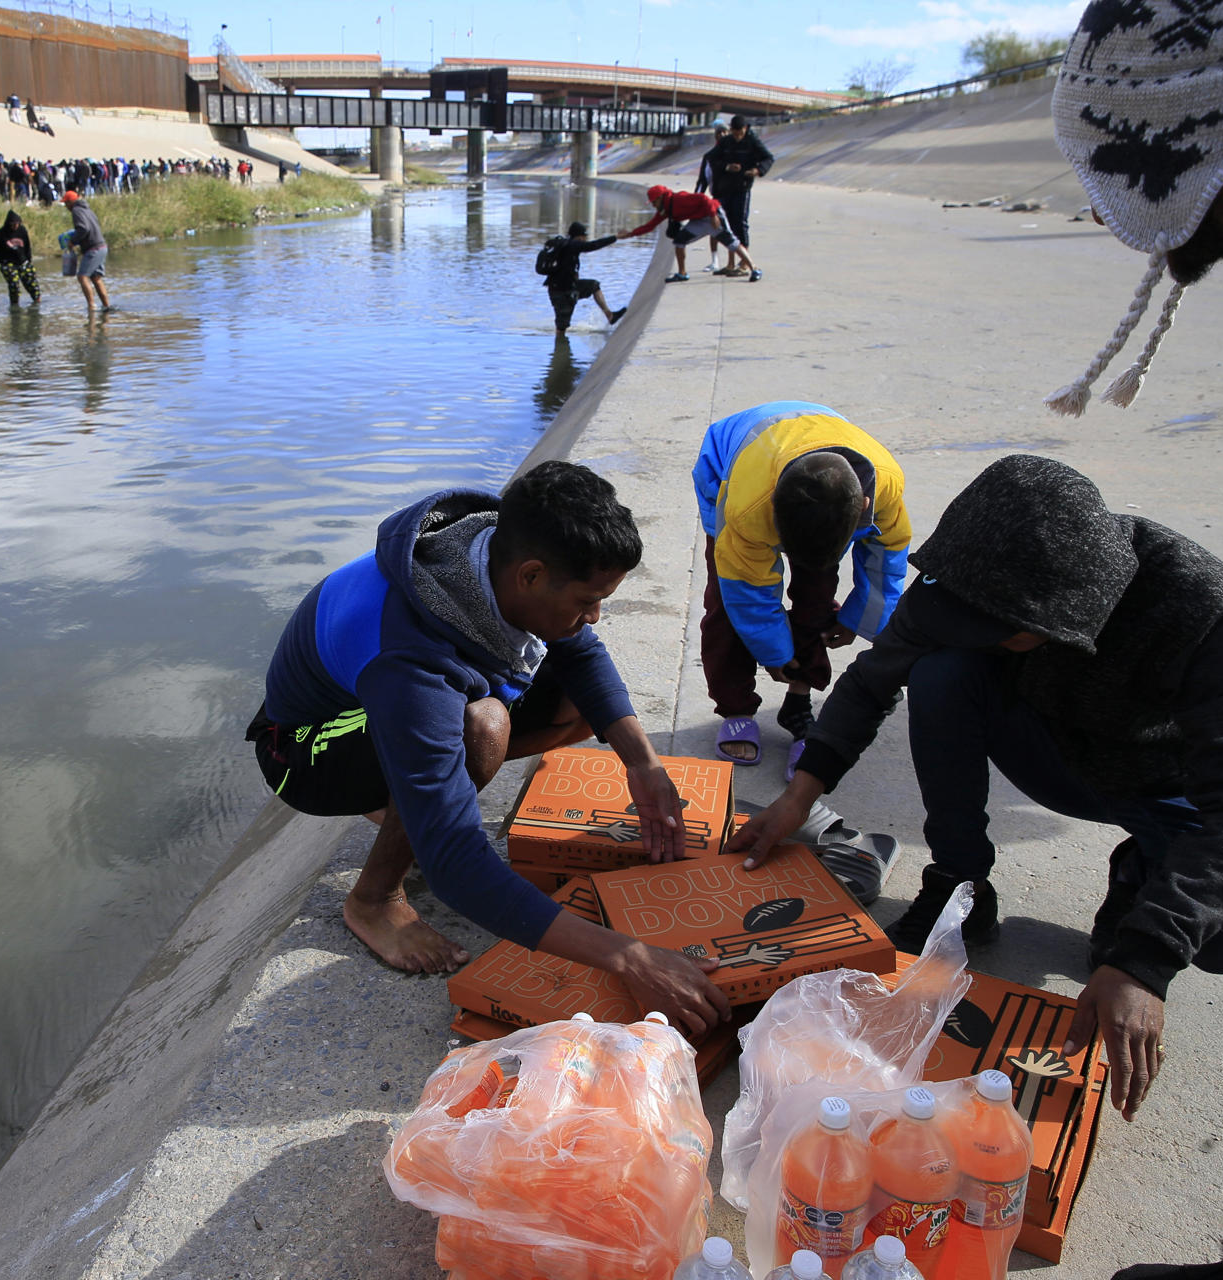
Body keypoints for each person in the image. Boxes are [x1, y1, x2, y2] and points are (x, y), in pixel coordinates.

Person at [730, 455, 1223, 1129]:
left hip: (1170, 787)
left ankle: (1142, 872)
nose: (976, 634)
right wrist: (799, 797)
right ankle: (961, 883)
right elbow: (871, 682)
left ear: (1060, 616)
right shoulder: (964, 582)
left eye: (997, 631)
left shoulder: (1207, 614)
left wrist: (1145, 961)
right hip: (1053, 756)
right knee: (940, 673)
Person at [1042, 8, 1223, 1275]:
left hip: (1190, 783)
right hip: (1135, 773)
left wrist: (1145, 956)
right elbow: (892, 665)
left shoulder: (1207, 619)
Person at [247, 462, 731, 1034]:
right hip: (302, 751)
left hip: (379, 709)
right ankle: (373, 901)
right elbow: (455, 867)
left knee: (582, 708)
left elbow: (580, 650)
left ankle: (409, 800)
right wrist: (631, 958)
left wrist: (643, 764)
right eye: (587, 599)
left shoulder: (492, 548)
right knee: (482, 727)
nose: (594, 615)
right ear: (531, 576)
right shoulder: (409, 662)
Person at [692, 402, 909, 777]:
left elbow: (886, 563)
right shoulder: (748, 506)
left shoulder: (886, 486)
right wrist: (773, 651)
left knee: (817, 595)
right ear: (773, 510)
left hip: (812, 441)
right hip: (730, 462)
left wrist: (858, 618)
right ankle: (736, 708)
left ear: (864, 507)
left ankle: (799, 701)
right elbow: (747, 592)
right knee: (726, 604)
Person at [619, 185, 760, 283]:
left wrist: (713, 216)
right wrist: (630, 234)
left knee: (732, 243)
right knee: (679, 241)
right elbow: (650, 226)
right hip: (698, 222)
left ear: (661, 197)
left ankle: (754, 269)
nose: (653, 205)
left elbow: (704, 199)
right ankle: (682, 274)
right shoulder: (665, 209)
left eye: (654, 201)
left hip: (713, 215)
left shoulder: (679, 198)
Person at [705, 115, 774, 273]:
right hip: (725, 188)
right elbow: (711, 158)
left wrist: (757, 170)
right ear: (731, 130)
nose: (737, 137)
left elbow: (768, 158)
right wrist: (726, 167)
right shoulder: (726, 142)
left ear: (745, 129)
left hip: (742, 187)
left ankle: (743, 263)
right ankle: (730, 264)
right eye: (735, 134)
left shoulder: (752, 141)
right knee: (726, 224)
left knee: (740, 224)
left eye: (740, 134)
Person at [539, 220, 627, 333]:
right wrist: (615, 237)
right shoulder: (573, 245)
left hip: (564, 287)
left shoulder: (564, 245)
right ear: (579, 236)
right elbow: (593, 245)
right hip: (562, 292)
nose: (585, 239)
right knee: (561, 328)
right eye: (584, 236)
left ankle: (610, 316)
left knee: (594, 286)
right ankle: (559, 343)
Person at [61, 189, 112, 312]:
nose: (66, 207)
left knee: (82, 277)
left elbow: (83, 228)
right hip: (102, 246)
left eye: (66, 204)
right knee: (96, 278)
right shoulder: (88, 209)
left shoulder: (76, 211)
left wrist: (72, 241)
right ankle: (106, 307)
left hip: (93, 248)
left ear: (70, 202)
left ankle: (91, 307)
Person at [692, 125, 728, 272]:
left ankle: (736, 262)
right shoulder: (709, 156)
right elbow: (703, 180)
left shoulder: (734, 153)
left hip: (734, 195)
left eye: (725, 132)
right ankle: (715, 261)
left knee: (736, 228)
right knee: (715, 228)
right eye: (719, 133)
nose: (722, 135)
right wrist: (696, 198)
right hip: (717, 197)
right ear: (715, 136)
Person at [0, 209, 39, 307]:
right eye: (13, 224)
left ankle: (37, 303)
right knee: (14, 284)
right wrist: (2, 262)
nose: (15, 226)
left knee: (32, 284)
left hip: (23, 261)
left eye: (17, 224)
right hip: (8, 263)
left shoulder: (22, 230)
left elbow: (27, 246)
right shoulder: (0, 234)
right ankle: (15, 306)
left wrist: (28, 260)